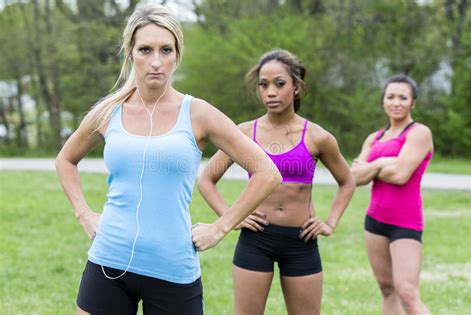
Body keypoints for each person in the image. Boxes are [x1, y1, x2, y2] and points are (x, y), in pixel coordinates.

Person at [55, 4, 281, 315]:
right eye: (145, 50)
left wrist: (221, 226)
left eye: (166, 50)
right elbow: (65, 160)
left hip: (173, 270)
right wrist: (84, 213)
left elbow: (267, 172)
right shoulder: (108, 112)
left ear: (177, 54)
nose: (156, 62)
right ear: (130, 52)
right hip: (108, 262)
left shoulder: (198, 113)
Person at [198, 49, 355, 315]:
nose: (270, 92)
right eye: (263, 84)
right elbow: (206, 178)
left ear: (296, 87)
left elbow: (347, 181)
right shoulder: (244, 132)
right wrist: (231, 217)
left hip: (301, 242)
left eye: (279, 84)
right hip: (255, 240)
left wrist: (330, 222)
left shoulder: (318, 137)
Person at [351, 74, 433, 315]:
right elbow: (354, 178)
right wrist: (383, 164)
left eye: (403, 97)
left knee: (407, 292)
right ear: (383, 101)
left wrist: (372, 167)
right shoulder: (374, 138)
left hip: (405, 223)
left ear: (413, 103)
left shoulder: (419, 133)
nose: (396, 102)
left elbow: (400, 175)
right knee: (387, 289)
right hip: (374, 221)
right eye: (391, 97)